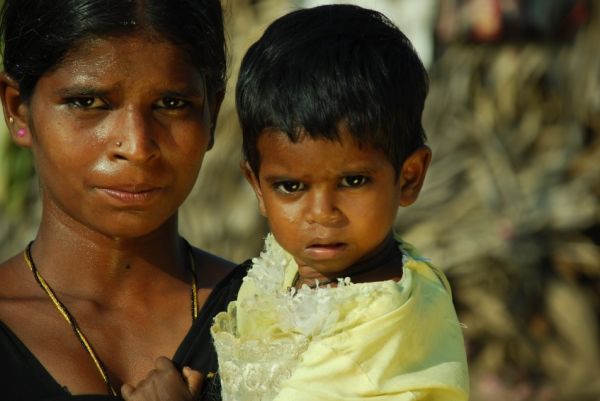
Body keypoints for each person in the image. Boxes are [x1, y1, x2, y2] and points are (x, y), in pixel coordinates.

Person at [209, 4, 470, 401]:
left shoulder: (383, 324)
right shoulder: (283, 266)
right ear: (258, 188)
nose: (321, 214)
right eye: (291, 187)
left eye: (353, 181)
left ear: (410, 177)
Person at [0, 1, 245, 400]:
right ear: (17, 110)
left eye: (171, 104)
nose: (136, 146)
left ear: (211, 116)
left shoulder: (288, 317)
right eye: (87, 102)